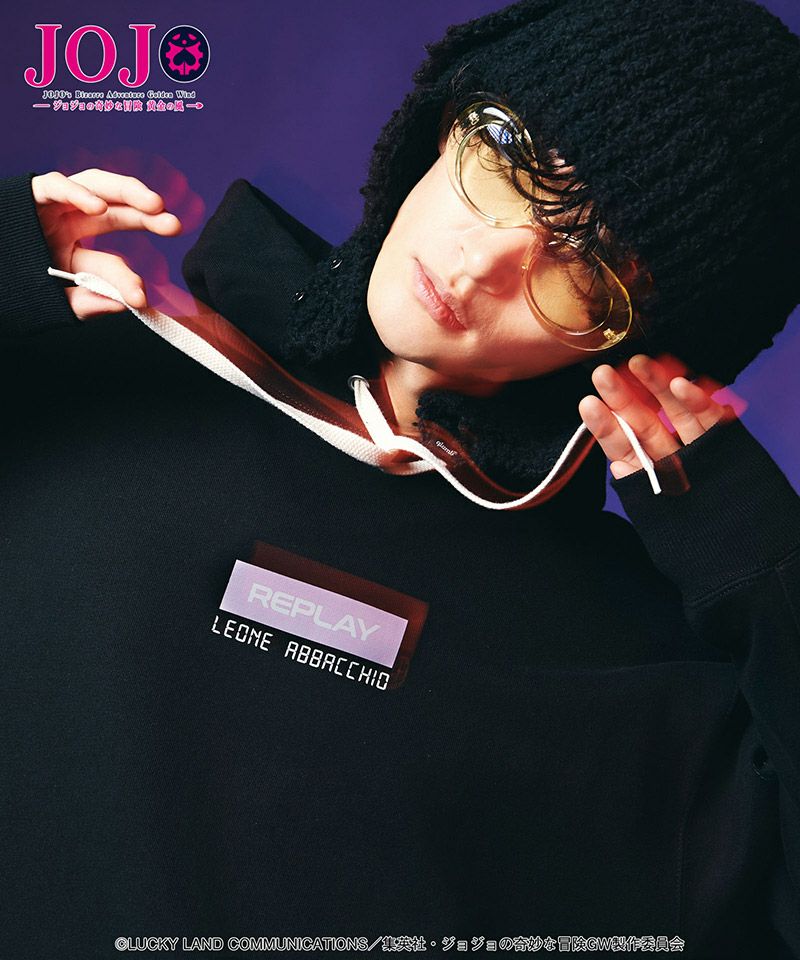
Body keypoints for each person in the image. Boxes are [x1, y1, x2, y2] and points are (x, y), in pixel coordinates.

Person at [2, 0, 799, 957]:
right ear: (446, 118)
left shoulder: (622, 661)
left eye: (586, 264)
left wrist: (768, 571)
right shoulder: (90, 367)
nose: (480, 261)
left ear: (648, 347)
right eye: (509, 158)